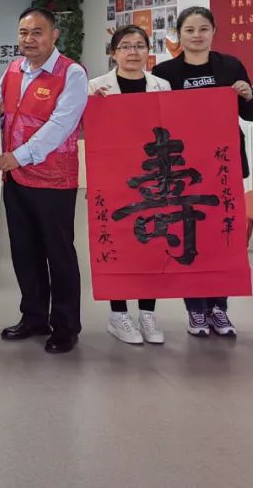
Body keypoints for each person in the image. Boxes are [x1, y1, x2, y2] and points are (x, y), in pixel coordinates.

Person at [152, 6, 253, 338]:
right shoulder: (165, 72)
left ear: (214, 31)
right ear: (179, 34)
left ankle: (219, 308)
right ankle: (196, 309)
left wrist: (247, 95)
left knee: (222, 236)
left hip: (224, 164)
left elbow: (252, 113)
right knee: (191, 235)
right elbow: (151, 117)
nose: (197, 35)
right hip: (184, 167)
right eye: (189, 30)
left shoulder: (231, 66)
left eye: (203, 29)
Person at [0, 7, 88, 355]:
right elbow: (4, 115)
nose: (29, 39)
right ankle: (34, 317)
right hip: (15, 178)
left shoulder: (71, 73)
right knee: (24, 252)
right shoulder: (12, 70)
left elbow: (61, 126)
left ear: (54, 35)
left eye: (37, 32)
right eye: (23, 32)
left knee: (58, 253)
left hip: (53, 180)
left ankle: (65, 326)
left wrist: (19, 156)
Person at [87, 26, 171, 345]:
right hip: (113, 177)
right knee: (117, 244)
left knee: (151, 243)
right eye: (125, 46)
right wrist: (92, 105)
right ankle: (118, 314)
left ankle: (147, 313)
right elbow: (85, 133)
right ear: (114, 53)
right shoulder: (96, 87)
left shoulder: (162, 86)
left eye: (139, 45)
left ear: (148, 50)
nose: (133, 52)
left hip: (153, 177)